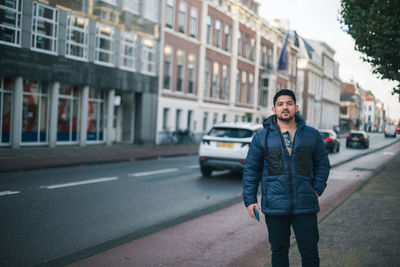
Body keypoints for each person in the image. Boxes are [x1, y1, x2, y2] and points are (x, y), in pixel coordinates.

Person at [242, 89, 330, 267]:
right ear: (274, 109)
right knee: (279, 252)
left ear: (296, 107)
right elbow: (251, 170)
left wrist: (317, 189)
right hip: (275, 206)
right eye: (280, 104)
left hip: (305, 206)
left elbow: (323, 164)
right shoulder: (261, 137)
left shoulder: (311, 135)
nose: (285, 107)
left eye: (289, 103)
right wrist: (249, 200)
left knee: (310, 252)